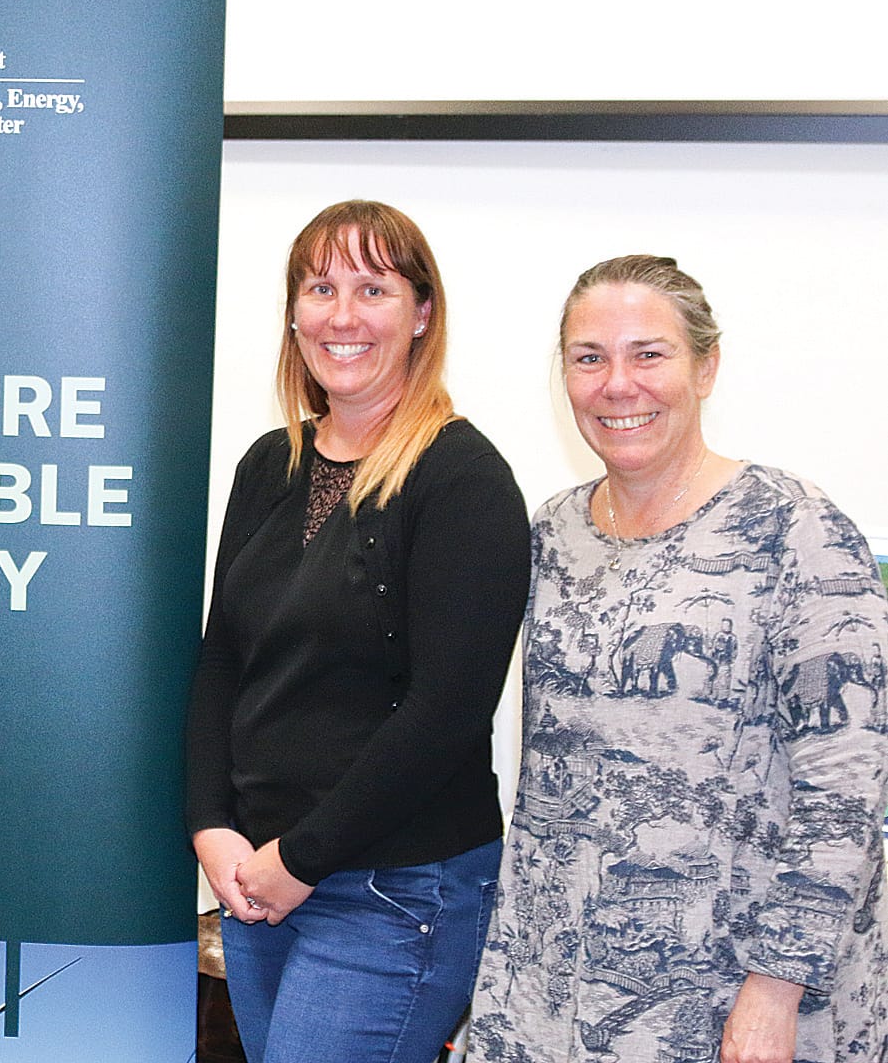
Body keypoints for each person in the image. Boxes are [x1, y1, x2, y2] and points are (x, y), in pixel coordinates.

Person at [470, 256, 888, 1063]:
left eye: (648, 353)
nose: (616, 384)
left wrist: (773, 991)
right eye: (588, 358)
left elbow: (847, 786)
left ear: (706, 366)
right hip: (555, 988)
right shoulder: (550, 534)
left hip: (737, 994)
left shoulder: (797, 532)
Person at [184, 199, 530, 1063]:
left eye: (371, 288)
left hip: (391, 890)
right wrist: (211, 826)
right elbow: (224, 659)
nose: (341, 315)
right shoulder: (271, 463)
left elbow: (444, 711)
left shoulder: (462, 479)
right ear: (293, 312)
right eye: (320, 287)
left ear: (420, 314)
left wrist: (299, 858)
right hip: (258, 876)